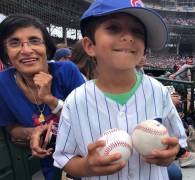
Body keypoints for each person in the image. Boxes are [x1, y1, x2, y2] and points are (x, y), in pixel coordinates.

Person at [53, 0, 187, 179]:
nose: (129, 37)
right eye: (113, 28)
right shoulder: (75, 100)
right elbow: (65, 158)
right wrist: (86, 166)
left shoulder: (158, 91)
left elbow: (177, 142)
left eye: (138, 32)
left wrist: (171, 154)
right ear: (89, 46)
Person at [0, 14, 85, 180]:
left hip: (84, 158)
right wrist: (33, 132)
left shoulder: (67, 71)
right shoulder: (2, 83)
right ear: (5, 52)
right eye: (15, 42)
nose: (26, 50)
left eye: (34, 40)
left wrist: (50, 99)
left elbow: (88, 120)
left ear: (46, 47)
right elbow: (11, 128)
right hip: (48, 166)